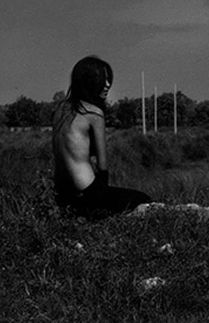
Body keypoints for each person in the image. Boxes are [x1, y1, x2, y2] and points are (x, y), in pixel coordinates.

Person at [52, 55, 151, 218]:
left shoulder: (60, 110)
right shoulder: (94, 113)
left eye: (108, 79)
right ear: (88, 81)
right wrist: (103, 201)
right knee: (143, 199)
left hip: (62, 193)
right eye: (102, 80)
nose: (107, 85)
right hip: (87, 191)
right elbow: (102, 165)